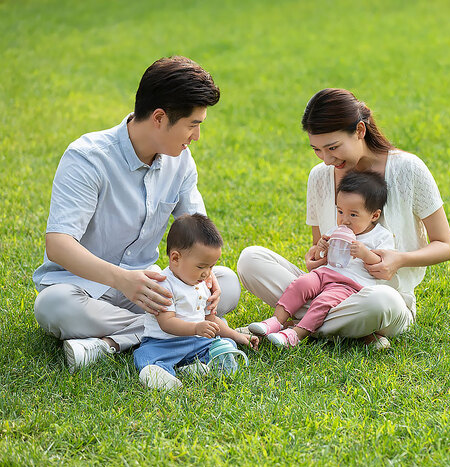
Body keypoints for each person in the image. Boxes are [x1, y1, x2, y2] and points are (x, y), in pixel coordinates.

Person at [33, 56, 242, 373]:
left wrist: (208, 275)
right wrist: (122, 280)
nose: (196, 136)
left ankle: (112, 343)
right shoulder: (88, 157)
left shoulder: (181, 161)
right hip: (84, 287)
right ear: (159, 118)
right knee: (53, 306)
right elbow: (58, 244)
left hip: (149, 289)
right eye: (193, 125)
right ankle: (179, 331)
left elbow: (197, 228)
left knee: (227, 283)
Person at [237, 88, 450, 349]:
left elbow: (445, 245)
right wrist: (316, 258)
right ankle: (344, 331)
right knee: (250, 259)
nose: (327, 159)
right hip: (327, 288)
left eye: (333, 147)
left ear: (360, 131)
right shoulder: (319, 176)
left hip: (379, 297)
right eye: (317, 149)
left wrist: (399, 260)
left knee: (382, 302)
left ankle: (298, 325)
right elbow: (321, 250)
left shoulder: (408, 169)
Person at [248, 171, 394, 348]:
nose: (345, 220)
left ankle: (296, 334)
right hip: (324, 274)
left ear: (374, 215)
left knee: (323, 302)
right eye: (340, 211)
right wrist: (320, 249)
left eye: (353, 215)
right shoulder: (336, 230)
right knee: (300, 284)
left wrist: (365, 254)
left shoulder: (380, 236)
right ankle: (275, 321)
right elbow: (319, 258)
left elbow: (382, 266)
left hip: (348, 286)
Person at [134, 214, 258, 390]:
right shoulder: (164, 284)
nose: (207, 273)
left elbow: (211, 320)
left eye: (211, 267)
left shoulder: (201, 283)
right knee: (147, 355)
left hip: (196, 342)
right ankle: (158, 373)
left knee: (224, 343)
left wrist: (237, 336)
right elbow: (166, 323)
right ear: (175, 258)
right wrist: (195, 328)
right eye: (201, 267)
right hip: (164, 343)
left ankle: (195, 368)